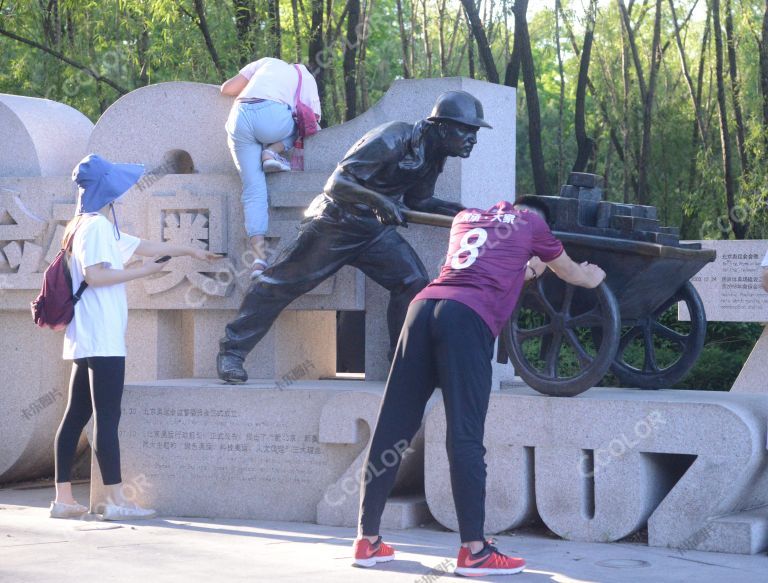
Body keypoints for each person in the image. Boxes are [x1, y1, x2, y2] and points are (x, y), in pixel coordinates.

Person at [352, 196, 606, 576]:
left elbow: (483, 267)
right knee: (465, 436)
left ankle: (366, 540)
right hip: (467, 319)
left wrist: (530, 267)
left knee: (393, 426)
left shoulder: (466, 219)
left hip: (424, 307)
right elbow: (570, 272)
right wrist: (593, 275)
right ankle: (475, 551)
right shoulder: (532, 225)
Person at [216, 90, 490, 383]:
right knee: (279, 283)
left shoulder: (434, 155)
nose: (473, 138)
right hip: (334, 223)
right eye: (467, 130)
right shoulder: (391, 138)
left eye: (474, 131)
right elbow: (337, 183)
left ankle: (402, 363)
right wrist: (380, 201)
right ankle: (232, 351)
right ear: (443, 126)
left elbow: (419, 202)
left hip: (373, 233)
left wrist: (465, 215)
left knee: (412, 282)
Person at [50, 154, 218, 520]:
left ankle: (63, 499)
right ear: (105, 189)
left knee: (78, 413)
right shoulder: (94, 227)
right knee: (107, 417)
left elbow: (143, 246)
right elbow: (96, 276)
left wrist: (188, 249)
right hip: (102, 335)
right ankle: (115, 502)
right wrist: (141, 274)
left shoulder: (87, 225)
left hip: (89, 335)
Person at [220, 57, 322, 278]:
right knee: (302, 123)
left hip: (239, 118)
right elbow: (314, 120)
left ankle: (258, 259)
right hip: (273, 119)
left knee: (253, 189)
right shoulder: (304, 75)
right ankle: (272, 151)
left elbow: (226, 89)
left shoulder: (265, 62)